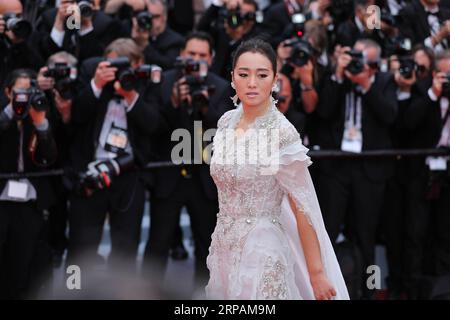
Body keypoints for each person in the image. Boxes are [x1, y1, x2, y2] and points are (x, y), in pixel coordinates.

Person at [205, 38, 349, 300]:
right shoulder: (226, 121)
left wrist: (316, 272)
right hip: (223, 247)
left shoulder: (282, 132)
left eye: (261, 75)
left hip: (262, 249)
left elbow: (302, 206)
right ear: (233, 77)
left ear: (274, 80)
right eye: (243, 74)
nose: (251, 83)